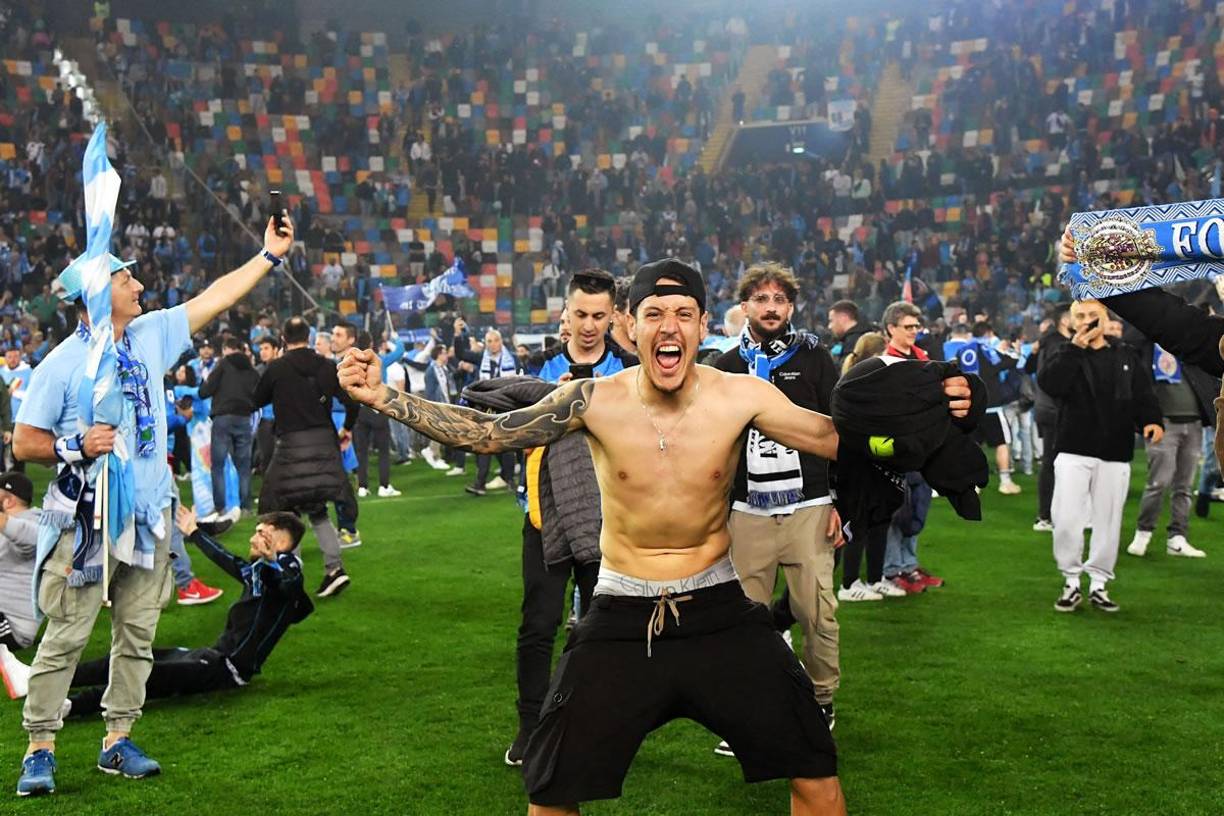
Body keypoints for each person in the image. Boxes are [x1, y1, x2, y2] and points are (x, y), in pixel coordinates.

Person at [339, 258, 974, 816]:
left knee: (815, 761)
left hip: (720, 610)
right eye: (653, 314)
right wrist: (382, 396)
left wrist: (933, 414)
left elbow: (841, 440)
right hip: (620, 613)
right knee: (551, 786)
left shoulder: (741, 395)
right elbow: (485, 433)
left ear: (703, 327)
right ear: (629, 326)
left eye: (684, 314)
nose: (669, 327)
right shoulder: (590, 400)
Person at [14, 215, 294, 796]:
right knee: (66, 635)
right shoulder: (59, 365)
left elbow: (214, 297)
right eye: (125, 279)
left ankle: (117, 740)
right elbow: (24, 442)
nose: (139, 286)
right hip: (86, 523)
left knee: (137, 635)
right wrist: (74, 445)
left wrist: (268, 256)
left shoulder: (152, 334)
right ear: (96, 293)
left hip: (149, 518)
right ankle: (40, 747)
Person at [712, 262, 846, 749]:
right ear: (744, 305)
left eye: (780, 300)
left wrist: (841, 504)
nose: (771, 308)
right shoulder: (724, 366)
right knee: (746, 621)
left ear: (791, 306)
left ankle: (821, 702)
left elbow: (839, 432)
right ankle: (753, 710)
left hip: (809, 505)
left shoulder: (814, 358)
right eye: (761, 299)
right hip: (747, 512)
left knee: (817, 614)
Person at [63, 506, 312, 716]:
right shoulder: (262, 573)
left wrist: (275, 564)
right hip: (209, 657)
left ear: (280, 543)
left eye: (260, 533)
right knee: (127, 658)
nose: (252, 538)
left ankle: (68, 707)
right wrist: (194, 532)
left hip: (225, 671)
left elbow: (292, 586)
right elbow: (230, 561)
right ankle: (53, 678)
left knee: (138, 674)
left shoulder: (286, 573)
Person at [1038, 299, 1163, 614]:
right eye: (1080, 316)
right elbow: (1051, 384)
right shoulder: (1064, 352)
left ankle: (1098, 583)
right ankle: (1070, 580)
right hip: (1072, 448)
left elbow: (1143, 394)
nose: (1088, 321)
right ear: (1071, 320)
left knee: (1108, 521)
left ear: (1107, 320)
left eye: (1094, 315)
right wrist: (1075, 347)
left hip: (1114, 451)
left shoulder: (1126, 355)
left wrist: (1152, 420)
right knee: (1066, 519)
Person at [253, 316, 357, 599]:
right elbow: (351, 401)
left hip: (290, 447)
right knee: (318, 511)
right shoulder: (326, 366)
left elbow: (256, 399)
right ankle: (335, 570)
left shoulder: (277, 368)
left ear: (283, 338)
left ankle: (290, 572)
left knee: (287, 513)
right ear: (310, 336)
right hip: (324, 446)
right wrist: (346, 429)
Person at [1124, 331, 1214, 559]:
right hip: (1163, 424)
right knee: (1158, 483)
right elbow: (1132, 340)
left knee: (1184, 485)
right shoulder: (1145, 348)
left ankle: (1178, 538)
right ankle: (1143, 532)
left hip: (1193, 423)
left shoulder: (1189, 352)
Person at [198, 335, 260, 522]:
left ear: (226, 349)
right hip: (243, 418)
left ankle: (221, 507)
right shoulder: (252, 370)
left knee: (218, 465)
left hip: (222, 418)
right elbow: (258, 397)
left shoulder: (223, 365)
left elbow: (205, 392)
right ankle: (246, 507)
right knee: (243, 465)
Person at [1027, 307, 1072, 532]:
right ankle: (1045, 516)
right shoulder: (1058, 343)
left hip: (1047, 407)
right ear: (1064, 320)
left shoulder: (1049, 341)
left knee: (1055, 462)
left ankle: (1052, 513)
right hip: (1055, 409)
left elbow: (1027, 367)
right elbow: (1055, 379)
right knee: (1053, 463)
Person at [0, 472, 40, 699]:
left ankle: (11, 665)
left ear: (8, 500)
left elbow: (31, 539)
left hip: (11, 627)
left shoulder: (32, 521)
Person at [467, 329, 520, 497]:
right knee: (484, 444)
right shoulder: (481, 359)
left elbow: (522, 381)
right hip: (485, 409)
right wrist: (458, 333)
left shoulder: (514, 359)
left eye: (495, 340)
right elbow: (461, 353)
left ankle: (508, 478)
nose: (492, 344)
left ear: (501, 341)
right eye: (489, 341)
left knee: (505, 446)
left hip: (507, 408)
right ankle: (481, 483)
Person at [353, 332, 405, 499]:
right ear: (371, 343)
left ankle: (362, 486)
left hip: (361, 409)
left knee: (361, 451)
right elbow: (400, 351)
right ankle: (384, 486)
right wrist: (395, 337)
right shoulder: (379, 360)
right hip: (377, 408)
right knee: (383, 450)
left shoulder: (353, 363)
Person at [826, 300, 874, 367]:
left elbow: (846, 373)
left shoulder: (853, 342)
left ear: (843, 318)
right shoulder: (868, 335)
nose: (829, 326)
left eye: (831, 320)